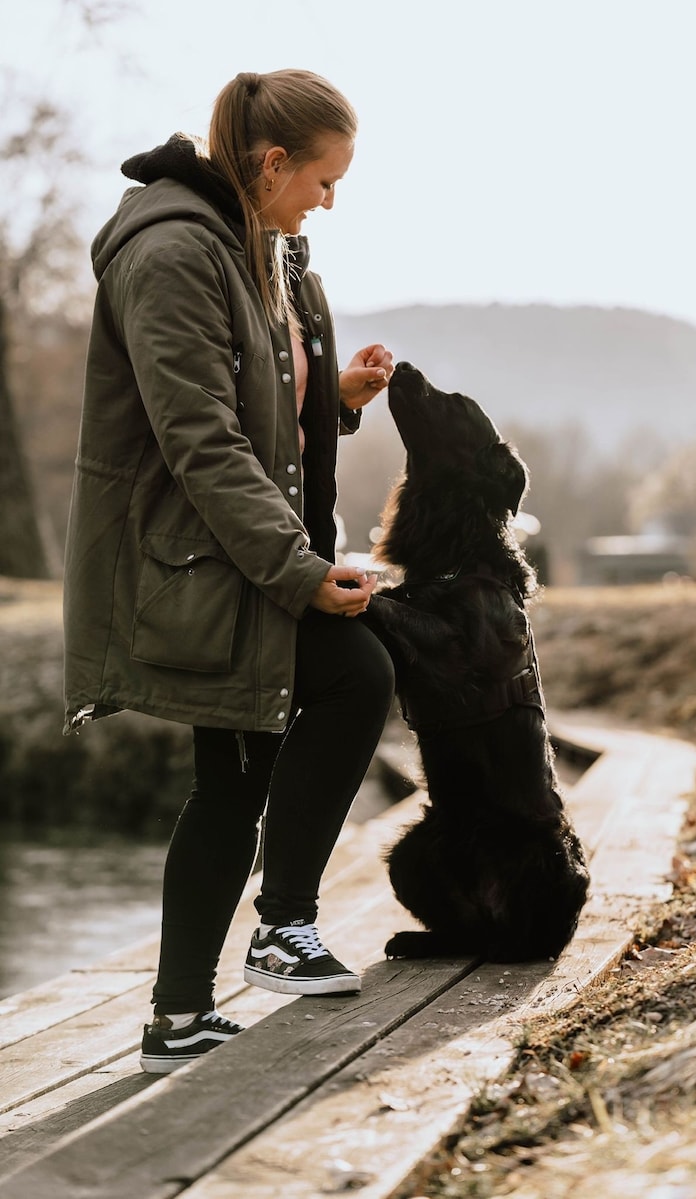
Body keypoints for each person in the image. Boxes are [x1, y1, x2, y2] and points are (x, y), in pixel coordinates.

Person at [62, 69, 396, 1074]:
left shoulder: (257, 247)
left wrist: (329, 396)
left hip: (236, 550)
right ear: (271, 161)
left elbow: (250, 403)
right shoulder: (173, 252)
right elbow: (200, 441)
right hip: (200, 557)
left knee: (234, 771)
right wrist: (298, 571)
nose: (327, 202)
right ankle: (277, 925)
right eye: (322, 180)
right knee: (351, 681)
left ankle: (177, 1016)